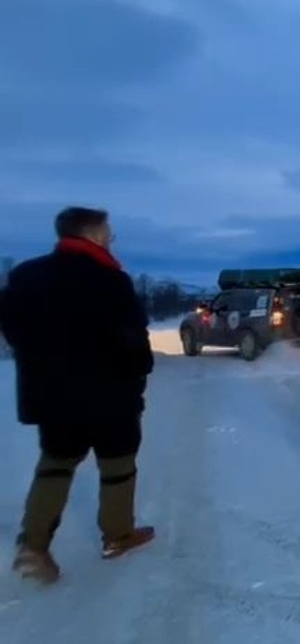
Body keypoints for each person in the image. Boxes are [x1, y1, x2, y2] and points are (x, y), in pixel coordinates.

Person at [0, 206, 156, 584]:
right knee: (117, 467)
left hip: (51, 395)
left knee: (54, 466)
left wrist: (40, 362)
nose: (111, 238)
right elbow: (132, 340)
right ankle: (117, 536)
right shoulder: (110, 280)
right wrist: (140, 368)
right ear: (92, 233)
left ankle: (33, 546)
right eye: (108, 232)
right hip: (109, 394)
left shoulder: (25, 275)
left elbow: (11, 327)